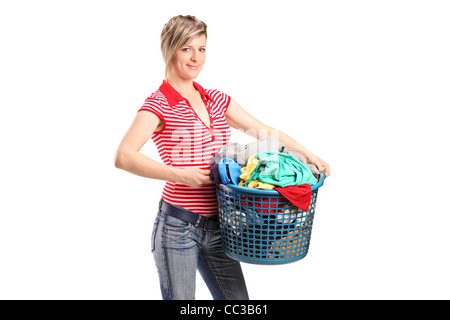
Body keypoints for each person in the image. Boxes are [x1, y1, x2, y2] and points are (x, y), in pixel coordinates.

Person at [114, 15, 330, 300]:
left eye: (201, 49)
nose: (196, 58)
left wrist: (307, 153)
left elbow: (263, 131)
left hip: (222, 226)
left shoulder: (214, 99)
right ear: (170, 48)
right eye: (186, 49)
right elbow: (124, 156)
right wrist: (179, 174)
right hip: (178, 228)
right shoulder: (158, 104)